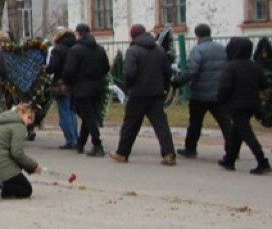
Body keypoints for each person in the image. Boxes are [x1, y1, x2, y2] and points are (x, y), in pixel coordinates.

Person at [109, 24, 176, 165]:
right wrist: (163, 88)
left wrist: (128, 87)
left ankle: (122, 153)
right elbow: (167, 71)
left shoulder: (133, 51)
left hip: (138, 93)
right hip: (156, 93)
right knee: (161, 124)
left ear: (133, 36)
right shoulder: (159, 50)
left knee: (130, 125)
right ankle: (169, 153)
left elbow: (129, 73)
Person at [172, 23, 232, 159]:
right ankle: (232, 148)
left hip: (200, 94)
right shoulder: (222, 49)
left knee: (195, 122)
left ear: (197, 35)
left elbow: (192, 71)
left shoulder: (198, 50)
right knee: (225, 122)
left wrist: (178, 82)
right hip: (220, 93)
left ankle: (190, 149)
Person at [216, 37, 272, 174]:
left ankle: (262, 161)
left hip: (236, 105)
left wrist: (221, 100)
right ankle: (230, 159)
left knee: (246, 133)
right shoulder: (254, 66)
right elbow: (264, 84)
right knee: (238, 131)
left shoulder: (230, 67)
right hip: (252, 104)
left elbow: (224, 87)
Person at [0, 101, 42, 201]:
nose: (29, 122)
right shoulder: (19, 126)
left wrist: (29, 168)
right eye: (29, 117)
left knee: (16, 180)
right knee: (26, 189)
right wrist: (34, 166)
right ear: (21, 113)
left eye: (31, 120)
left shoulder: (1, 123)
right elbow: (17, 153)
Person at [63, 23, 110, 157]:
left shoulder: (75, 50)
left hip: (80, 87)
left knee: (88, 116)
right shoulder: (99, 49)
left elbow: (69, 71)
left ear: (78, 34)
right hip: (97, 87)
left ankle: (97, 144)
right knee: (88, 115)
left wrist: (69, 82)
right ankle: (81, 142)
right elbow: (106, 68)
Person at [45, 26, 78, 150]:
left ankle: (71, 139)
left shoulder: (58, 49)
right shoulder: (75, 47)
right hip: (74, 83)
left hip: (61, 83)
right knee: (72, 111)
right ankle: (75, 136)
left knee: (64, 111)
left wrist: (46, 69)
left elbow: (53, 67)